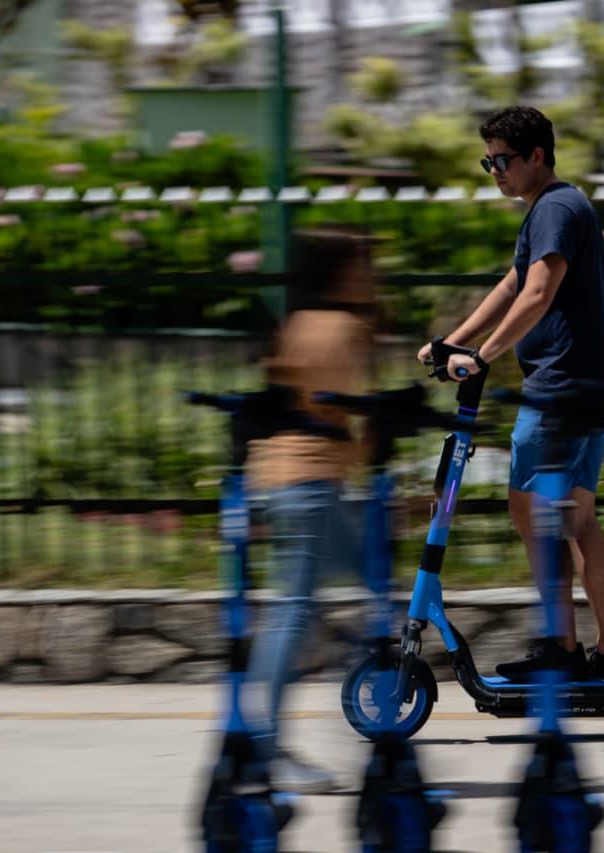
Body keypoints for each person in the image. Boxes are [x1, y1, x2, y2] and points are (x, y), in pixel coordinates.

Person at [416, 105, 604, 683]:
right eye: (488, 161)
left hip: (562, 386)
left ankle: (563, 647)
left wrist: (480, 358)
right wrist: (451, 342)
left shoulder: (557, 207)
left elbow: (537, 293)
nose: (495, 171)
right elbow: (513, 282)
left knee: (531, 510)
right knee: (576, 517)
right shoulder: (551, 209)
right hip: (588, 380)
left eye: (504, 160)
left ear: (538, 155)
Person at [246, 228, 376, 792]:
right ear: (342, 273)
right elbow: (347, 414)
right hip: (312, 483)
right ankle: (264, 748)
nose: (372, 275)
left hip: (282, 479)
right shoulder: (343, 329)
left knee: (371, 583)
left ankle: (357, 670)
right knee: (294, 610)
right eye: (364, 265)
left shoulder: (298, 322)